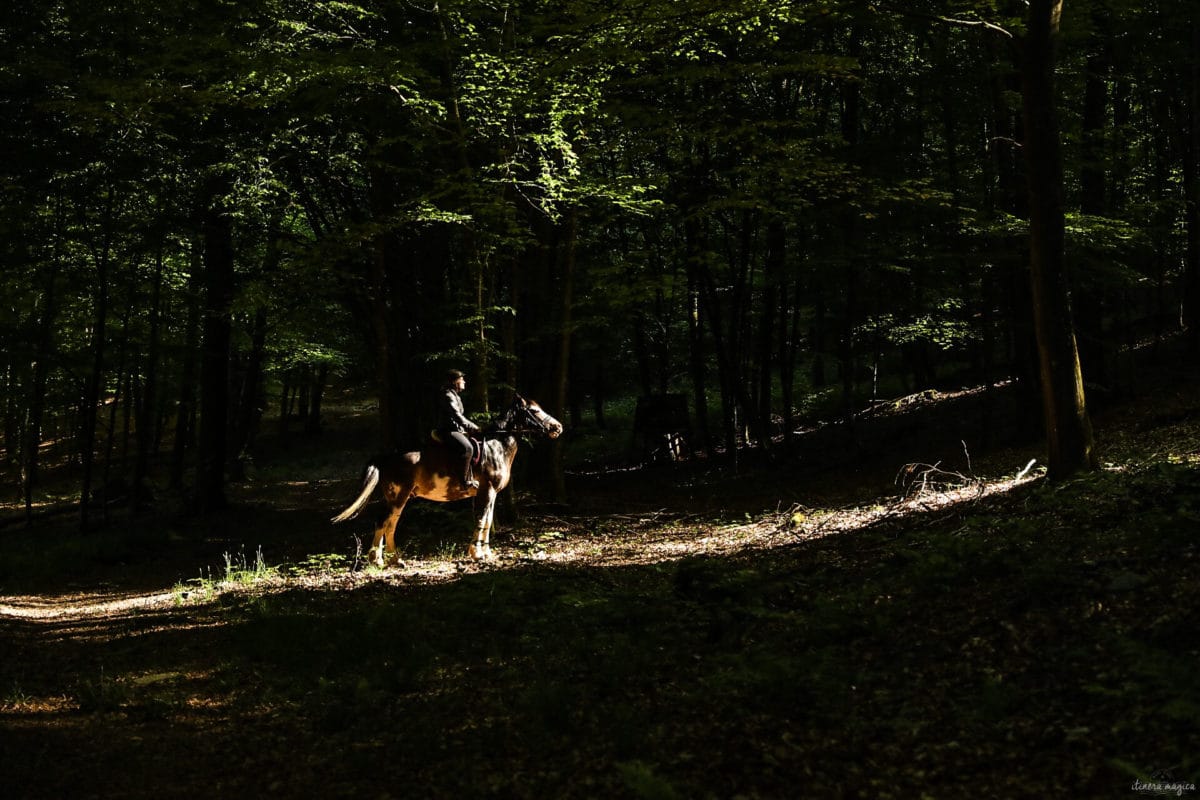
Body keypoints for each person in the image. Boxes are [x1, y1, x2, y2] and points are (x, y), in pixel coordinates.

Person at [436, 369, 482, 489]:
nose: (464, 382)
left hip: (455, 429)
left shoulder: (454, 395)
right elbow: (457, 416)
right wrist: (473, 426)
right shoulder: (448, 396)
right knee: (468, 448)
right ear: (455, 381)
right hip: (447, 431)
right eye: (462, 379)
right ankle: (463, 482)